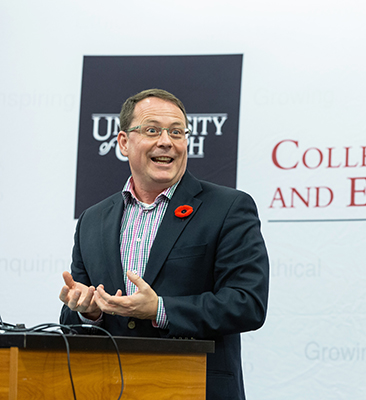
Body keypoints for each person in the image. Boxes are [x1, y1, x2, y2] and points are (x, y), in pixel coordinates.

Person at [59, 88, 269, 400]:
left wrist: (160, 309)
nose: (166, 142)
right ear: (123, 142)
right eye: (152, 130)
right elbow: (71, 320)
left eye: (176, 132)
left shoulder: (227, 208)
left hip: (195, 387)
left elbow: (246, 303)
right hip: (109, 388)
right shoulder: (92, 220)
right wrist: (87, 312)